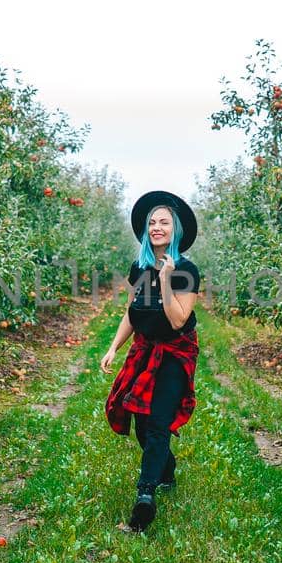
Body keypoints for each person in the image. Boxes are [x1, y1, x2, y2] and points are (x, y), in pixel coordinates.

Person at [101, 191, 201, 533]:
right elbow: (132, 312)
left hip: (175, 351)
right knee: (141, 424)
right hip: (145, 348)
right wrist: (114, 346)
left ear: (176, 230)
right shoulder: (139, 266)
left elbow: (177, 320)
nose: (157, 228)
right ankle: (166, 470)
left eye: (165, 223)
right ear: (147, 230)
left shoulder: (186, 270)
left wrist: (165, 279)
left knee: (158, 423)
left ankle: (145, 497)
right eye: (153, 223)